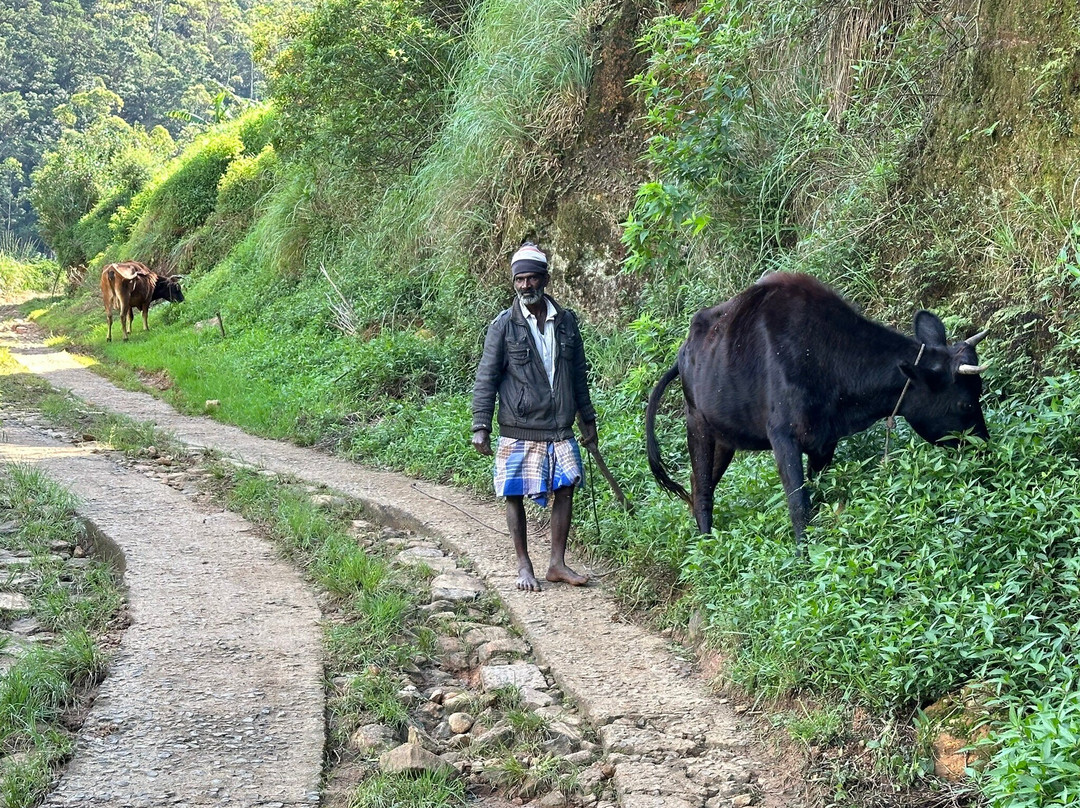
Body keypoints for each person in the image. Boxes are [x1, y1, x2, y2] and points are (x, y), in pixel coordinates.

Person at [471, 242, 598, 592]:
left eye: (531, 279)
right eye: (519, 280)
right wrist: (481, 424)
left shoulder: (566, 322)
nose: (526, 286)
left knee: (567, 486)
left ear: (545, 279)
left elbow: (578, 376)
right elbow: (487, 377)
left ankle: (556, 563)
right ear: (513, 283)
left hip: (559, 425)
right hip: (518, 423)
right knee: (513, 492)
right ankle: (523, 563)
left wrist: (587, 418)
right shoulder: (503, 327)